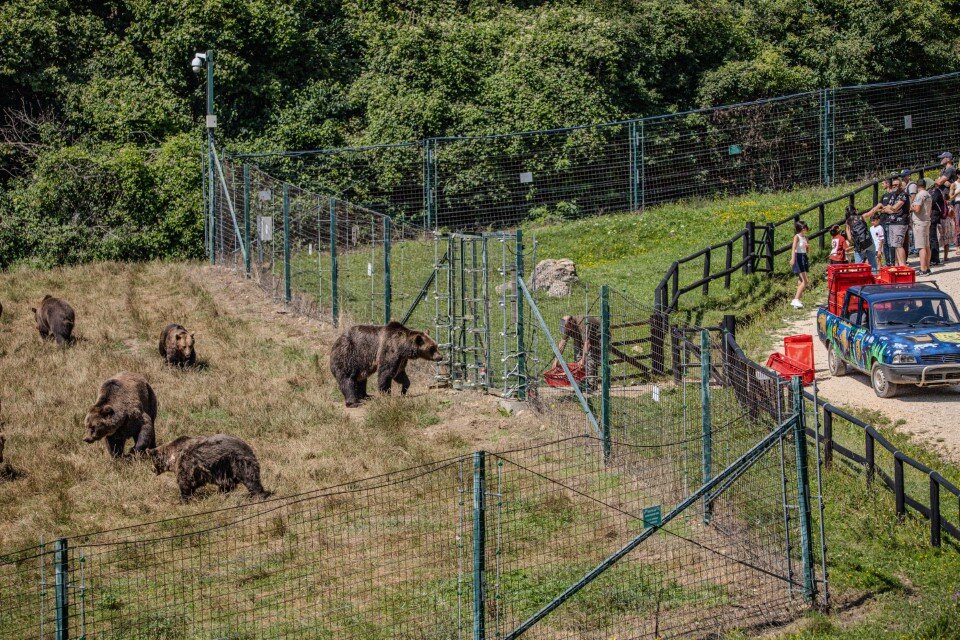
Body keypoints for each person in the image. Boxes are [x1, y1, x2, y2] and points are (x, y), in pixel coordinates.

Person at [552, 315, 601, 390]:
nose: (567, 330)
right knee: (577, 357)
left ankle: (591, 385)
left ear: (571, 322)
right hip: (580, 337)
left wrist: (583, 360)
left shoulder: (583, 324)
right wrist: (556, 360)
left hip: (598, 336)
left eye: (568, 328)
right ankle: (581, 381)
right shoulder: (566, 325)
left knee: (590, 357)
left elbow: (587, 343)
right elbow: (562, 342)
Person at [879, 177, 911, 267]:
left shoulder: (903, 194)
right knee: (895, 245)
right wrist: (888, 209)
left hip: (900, 222)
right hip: (892, 221)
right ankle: (897, 265)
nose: (895, 187)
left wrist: (889, 209)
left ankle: (903, 266)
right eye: (893, 185)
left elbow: (895, 207)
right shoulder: (893, 195)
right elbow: (886, 207)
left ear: (901, 185)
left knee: (899, 245)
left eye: (897, 185)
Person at [867, 177, 897, 265]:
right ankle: (888, 262)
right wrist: (869, 213)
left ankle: (892, 262)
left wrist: (882, 209)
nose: (882, 185)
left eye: (883, 183)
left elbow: (891, 209)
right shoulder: (884, 196)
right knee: (885, 243)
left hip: (890, 221)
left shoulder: (894, 195)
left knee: (890, 242)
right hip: (883, 221)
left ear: (888, 184)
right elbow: (879, 207)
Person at [910, 179, 933, 275]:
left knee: (921, 247)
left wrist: (911, 206)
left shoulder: (919, 195)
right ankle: (927, 267)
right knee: (927, 246)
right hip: (927, 220)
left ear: (917, 186)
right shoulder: (928, 194)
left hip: (919, 222)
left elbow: (917, 209)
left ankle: (923, 269)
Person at [846, 204, 876, 272]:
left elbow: (849, 238)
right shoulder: (862, 217)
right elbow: (871, 212)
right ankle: (875, 278)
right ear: (855, 211)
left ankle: (859, 279)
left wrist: (853, 243)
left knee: (858, 266)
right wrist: (879, 205)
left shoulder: (848, 222)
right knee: (873, 263)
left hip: (859, 245)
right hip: (868, 242)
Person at [790, 221, 810, 309]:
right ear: (801, 229)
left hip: (804, 257)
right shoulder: (796, 237)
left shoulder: (806, 237)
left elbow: (807, 251)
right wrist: (793, 259)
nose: (806, 229)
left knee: (801, 280)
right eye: (805, 227)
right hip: (798, 257)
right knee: (805, 281)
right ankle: (796, 299)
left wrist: (808, 247)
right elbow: (793, 248)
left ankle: (797, 301)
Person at [901, 170, 919, 257]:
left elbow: (912, 198)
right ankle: (913, 249)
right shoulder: (906, 185)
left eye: (904, 176)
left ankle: (914, 249)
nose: (903, 178)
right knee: (910, 230)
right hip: (909, 210)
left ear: (908, 176)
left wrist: (908, 209)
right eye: (902, 177)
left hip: (911, 210)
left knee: (912, 230)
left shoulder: (912, 186)